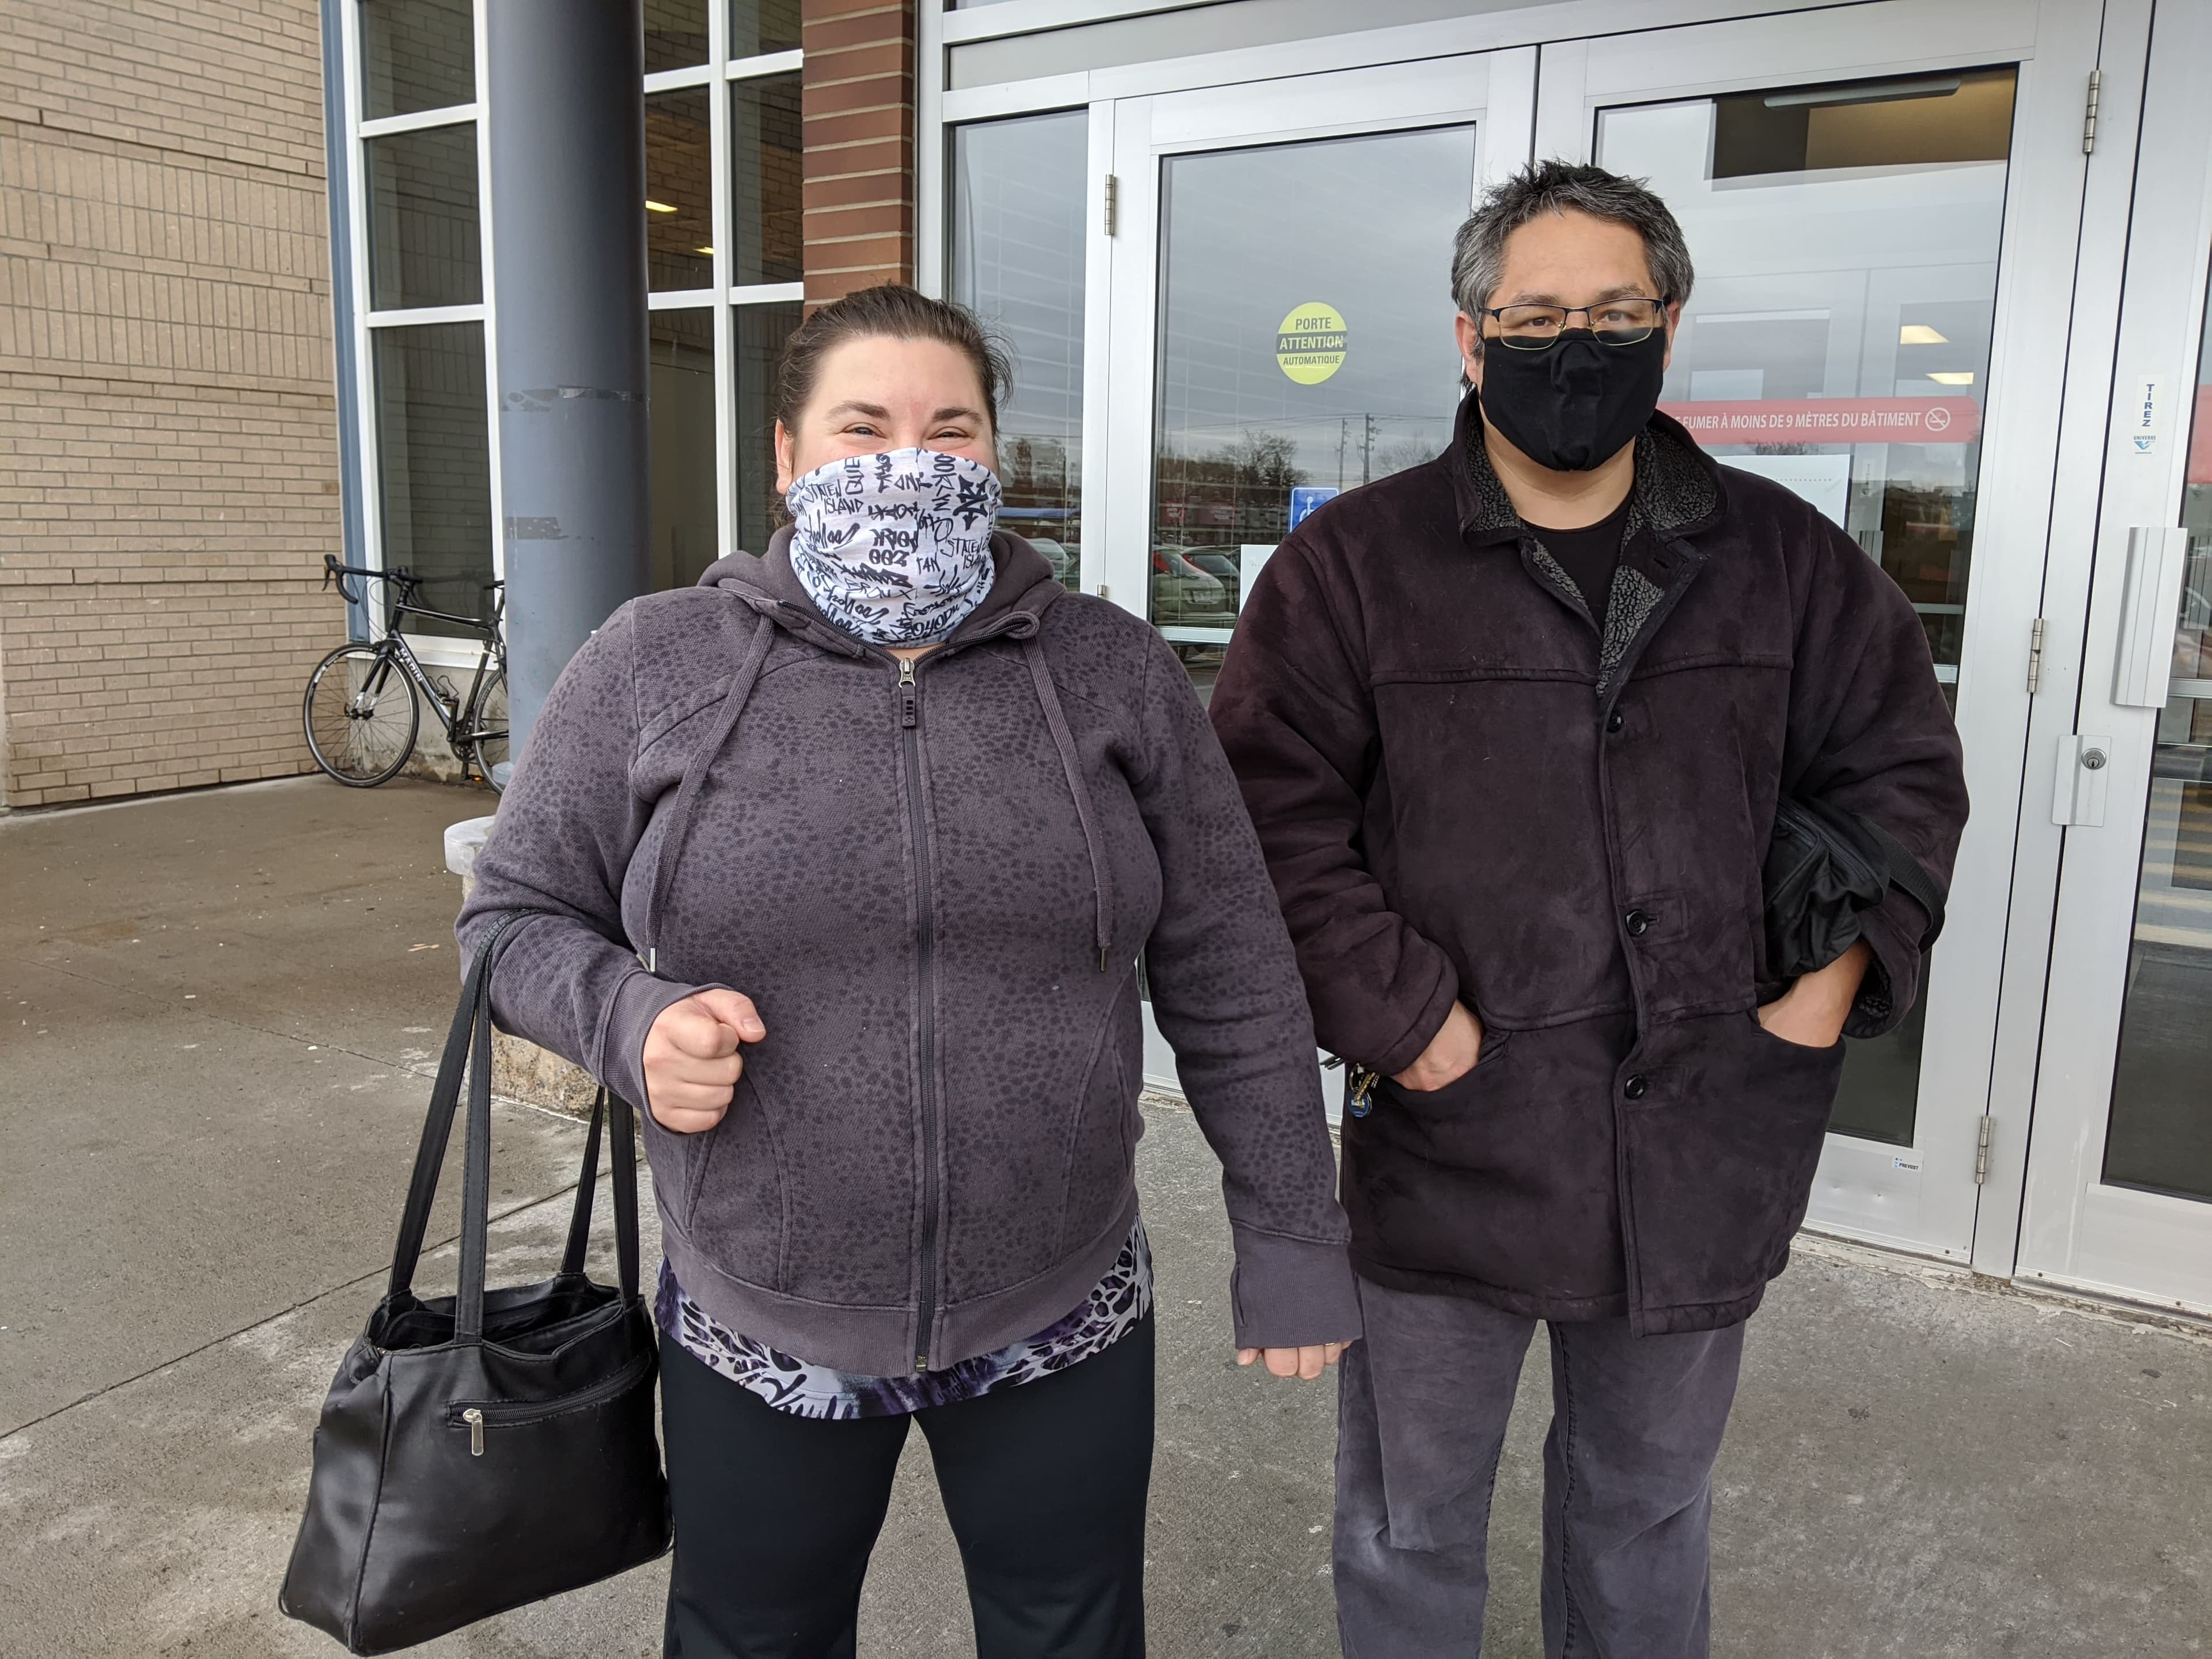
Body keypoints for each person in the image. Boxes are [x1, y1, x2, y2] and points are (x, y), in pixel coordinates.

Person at [457, 285, 1359, 1659]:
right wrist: (628, 1021)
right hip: (764, 1313)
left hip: (1061, 1302)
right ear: (786, 455)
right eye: (863, 428)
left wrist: (1294, 1229)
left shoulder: (1109, 669)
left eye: (952, 431)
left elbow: (1230, 957)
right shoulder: (657, 661)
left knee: (1070, 1634)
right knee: (755, 1639)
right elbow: (511, 916)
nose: (911, 463)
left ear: (997, 456)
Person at [1209, 161, 1971, 1657]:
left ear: (1668, 328)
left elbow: (1896, 766)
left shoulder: (1788, 563)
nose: (1576, 344)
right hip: (1450, 1149)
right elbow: (1260, 822)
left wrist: (1826, 983)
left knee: (1644, 1522)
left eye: (1612, 312)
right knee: (1409, 1531)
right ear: (1469, 337)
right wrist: (1401, 1017)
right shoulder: (1351, 568)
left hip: (1702, 1153)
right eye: (1536, 313)